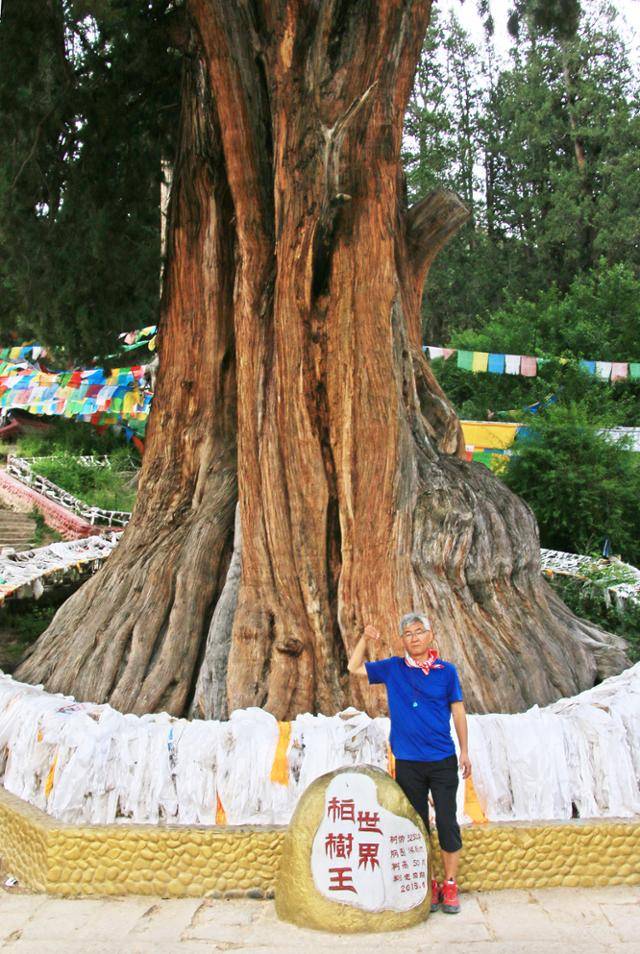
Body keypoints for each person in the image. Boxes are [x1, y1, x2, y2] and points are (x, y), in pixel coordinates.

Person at [347, 611, 471, 915]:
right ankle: (426, 882)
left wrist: (465, 751)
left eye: (419, 632)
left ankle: (450, 884)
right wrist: (364, 638)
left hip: (442, 758)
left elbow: (458, 712)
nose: (414, 638)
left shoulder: (446, 671)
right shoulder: (393, 668)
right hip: (408, 761)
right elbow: (353, 667)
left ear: (430, 635)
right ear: (402, 640)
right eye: (408, 634)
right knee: (415, 825)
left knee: (446, 821)